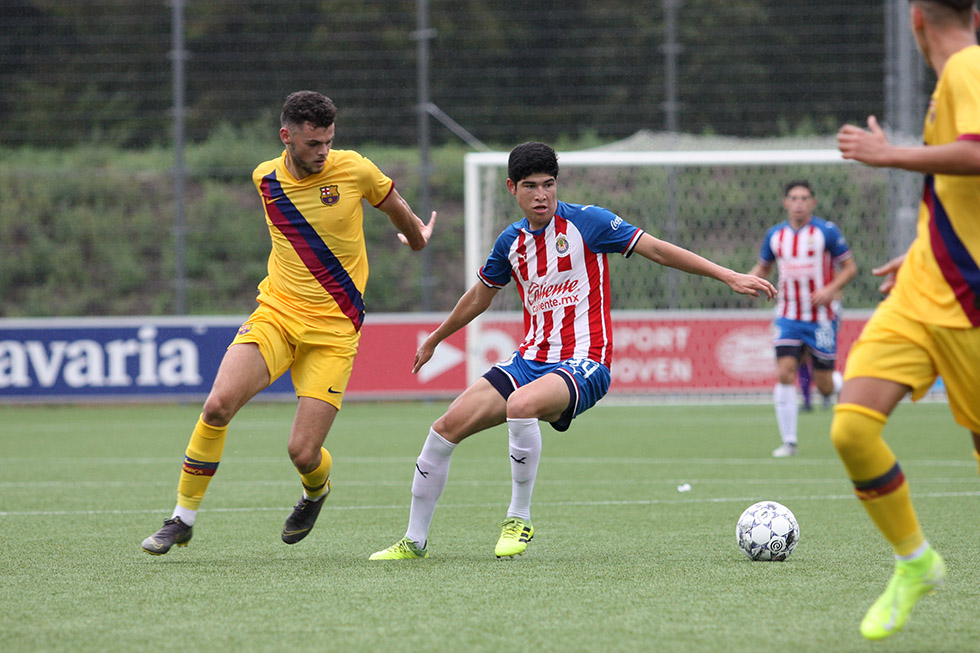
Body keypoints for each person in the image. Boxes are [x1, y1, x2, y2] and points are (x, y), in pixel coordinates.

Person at [369, 141, 776, 561]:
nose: (541, 195)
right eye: (530, 187)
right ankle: (413, 541)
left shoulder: (590, 223)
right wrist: (436, 337)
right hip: (529, 358)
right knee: (443, 429)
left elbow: (656, 249)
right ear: (512, 188)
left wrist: (728, 275)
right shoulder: (511, 242)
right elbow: (480, 296)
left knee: (521, 405)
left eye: (548, 185)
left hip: (586, 360)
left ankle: (518, 518)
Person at [141, 90, 436, 554]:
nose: (323, 152)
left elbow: (400, 211)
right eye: (314, 143)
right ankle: (181, 518)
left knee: (302, 452)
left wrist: (418, 239)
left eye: (329, 142)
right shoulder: (265, 180)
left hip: (335, 331)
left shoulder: (355, 169)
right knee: (217, 405)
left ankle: (315, 491)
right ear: (287, 137)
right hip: (276, 315)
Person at [833, 0, 980, 641]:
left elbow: (976, 155)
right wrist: (924, 250)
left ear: (916, 17)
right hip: (923, 291)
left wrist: (885, 154)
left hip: (970, 307)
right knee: (852, 430)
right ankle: (915, 562)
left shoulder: (969, 66)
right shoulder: (955, 77)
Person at [748, 181, 857, 457]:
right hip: (788, 315)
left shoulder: (827, 232)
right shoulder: (775, 235)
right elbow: (763, 267)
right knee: (785, 371)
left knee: (824, 386)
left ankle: (844, 385)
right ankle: (789, 442)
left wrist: (831, 290)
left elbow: (850, 268)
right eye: (794, 198)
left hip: (821, 318)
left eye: (804, 198)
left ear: (813, 203)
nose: (799, 203)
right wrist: (747, 282)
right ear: (786, 202)